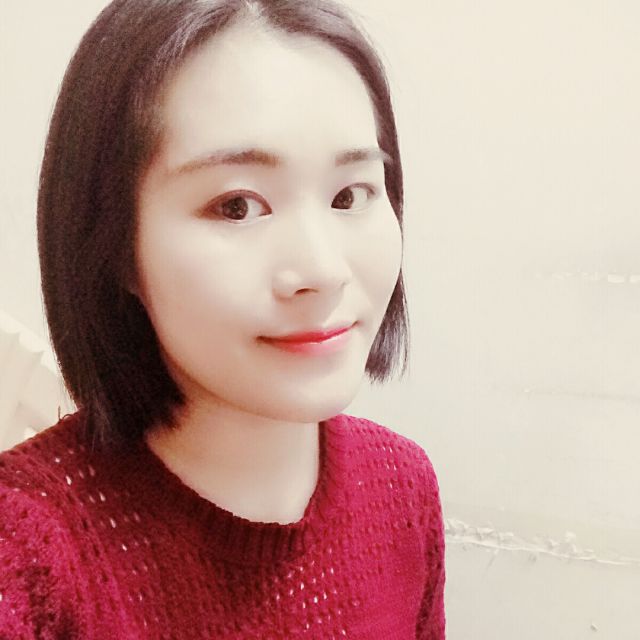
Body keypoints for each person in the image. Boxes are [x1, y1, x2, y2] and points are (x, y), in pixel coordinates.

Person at [0, 0, 445, 637]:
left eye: (350, 195)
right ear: (114, 245)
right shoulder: (29, 553)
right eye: (237, 206)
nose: (323, 270)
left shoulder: (402, 487)